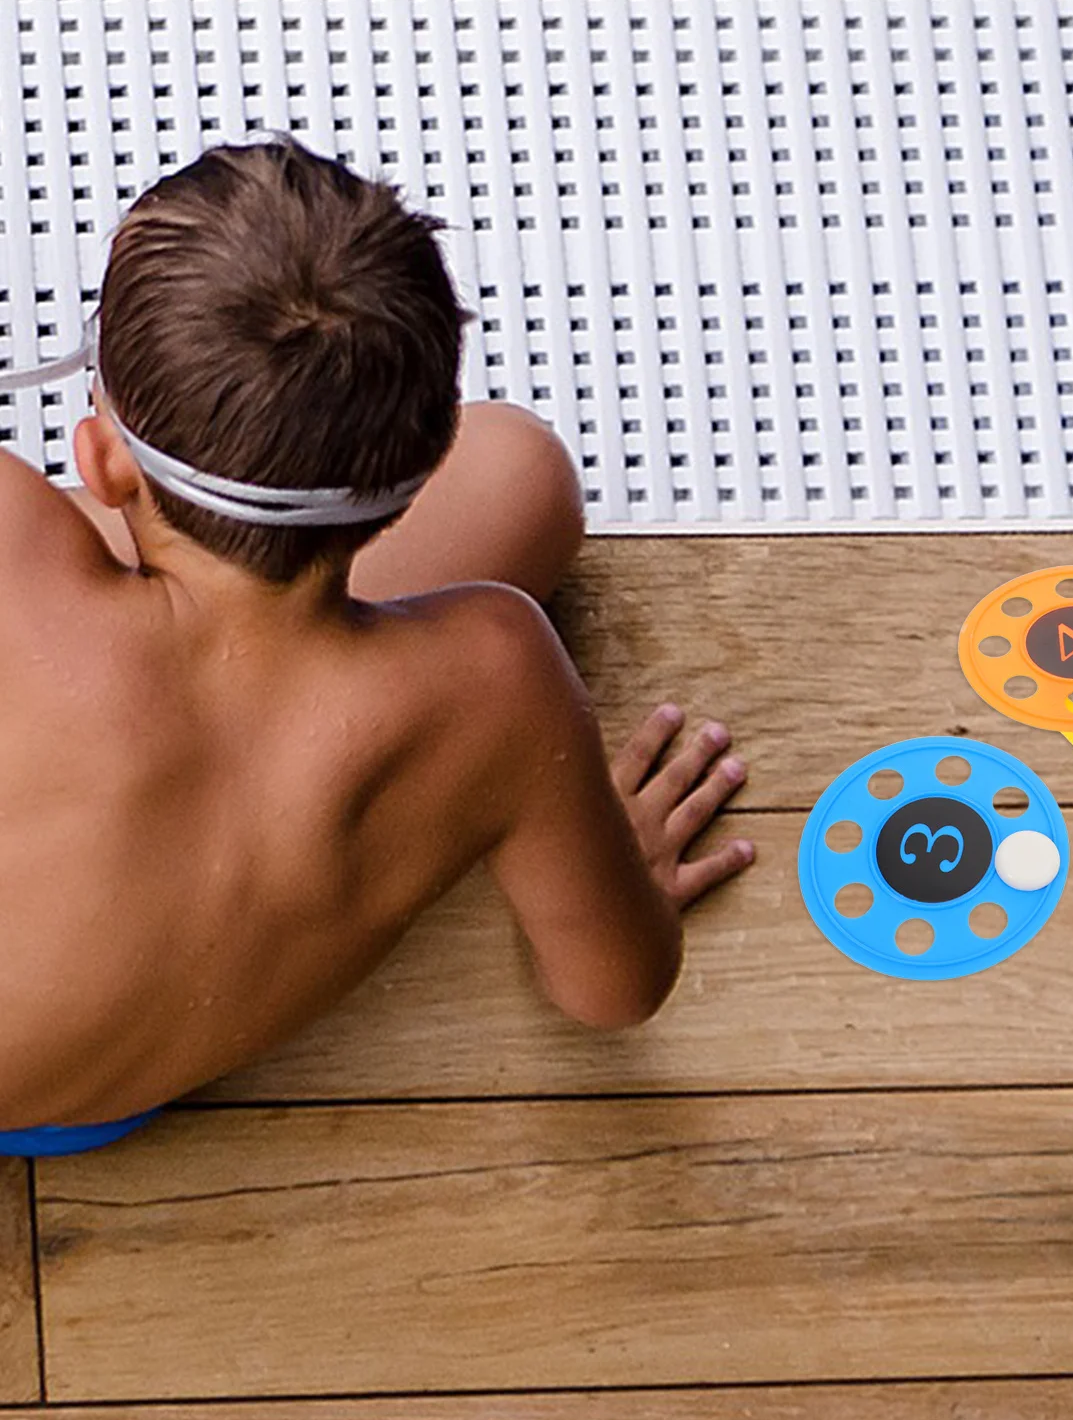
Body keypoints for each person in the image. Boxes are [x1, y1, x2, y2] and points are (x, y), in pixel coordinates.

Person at [0, 138, 753, 1155]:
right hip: (93, 1093)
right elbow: (612, 992)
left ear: (98, 455)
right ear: (420, 462)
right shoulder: (500, 680)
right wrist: (620, 874)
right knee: (525, 472)